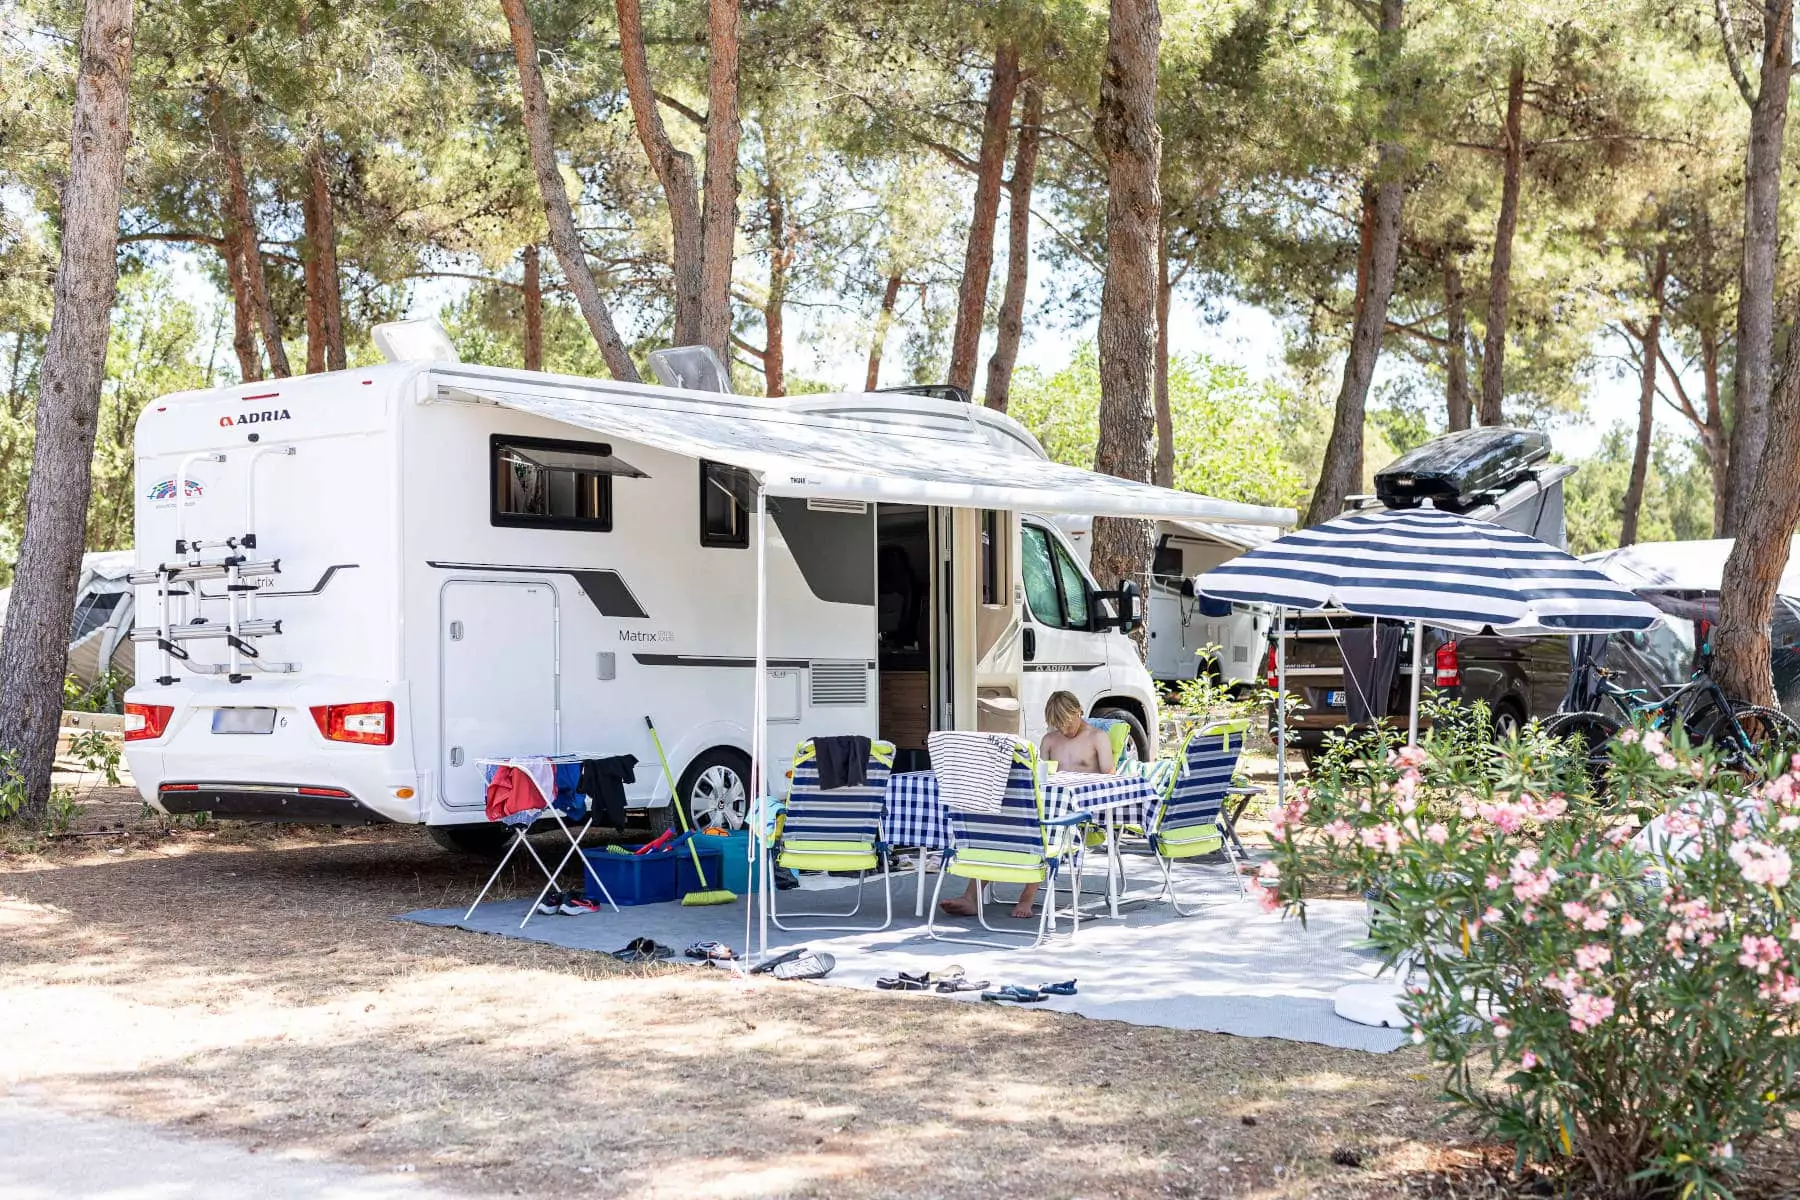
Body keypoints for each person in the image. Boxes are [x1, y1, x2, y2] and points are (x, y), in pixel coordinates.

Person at [938, 691, 1115, 919]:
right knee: (1003, 827)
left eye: (1067, 723)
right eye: (1057, 725)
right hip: (1045, 805)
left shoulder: (1097, 737)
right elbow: (1037, 777)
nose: (1064, 730)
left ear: (1079, 711)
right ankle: (970, 897)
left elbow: (1110, 775)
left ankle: (1026, 898)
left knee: (1044, 831)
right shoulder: (1051, 740)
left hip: (1077, 811)